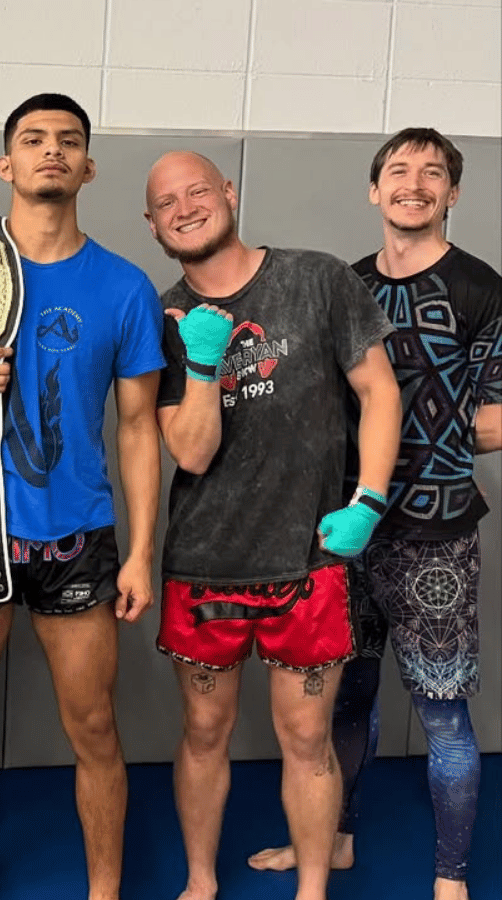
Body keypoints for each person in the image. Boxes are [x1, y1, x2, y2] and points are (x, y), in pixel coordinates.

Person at [0, 93, 165, 900]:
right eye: (35, 139)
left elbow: (139, 428)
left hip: (77, 536)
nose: (53, 150)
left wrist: (141, 553)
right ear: (5, 163)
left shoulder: (124, 286)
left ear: (88, 167)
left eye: (69, 141)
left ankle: (104, 893)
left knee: (94, 727)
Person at [247, 129, 501, 900]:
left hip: (434, 536)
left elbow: (500, 416)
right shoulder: (346, 285)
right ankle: (334, 841)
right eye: (398, 170)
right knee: (345, 695)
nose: (414, 183)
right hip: (343, 530)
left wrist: (408, 435)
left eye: (433, 172)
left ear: (453, 193)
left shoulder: (481, 289)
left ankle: (451, 879)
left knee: (443, 714)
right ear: (373, 189)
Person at [144, 150, 402, 900]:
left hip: (307, 559)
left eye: (199, 190)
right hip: (206, 564)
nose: (187, 208)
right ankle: (199, 881)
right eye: (168, 202)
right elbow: (191, 451)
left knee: (307, 737)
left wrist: (369, 501)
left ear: (229, 191)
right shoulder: (161, 316)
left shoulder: (317, 278)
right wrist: (201, 364)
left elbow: (379, 391)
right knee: (203, 733)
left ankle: (312, 890)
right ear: (153, 225)